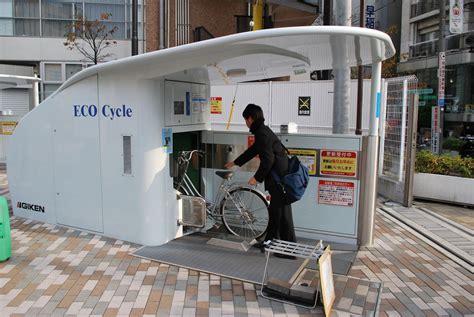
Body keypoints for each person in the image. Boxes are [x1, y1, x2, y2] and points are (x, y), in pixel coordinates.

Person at [224, 104, 297, 259]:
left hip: (279, 180)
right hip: (279, 177)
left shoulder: (262, 133)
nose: (246, 123)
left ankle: (290, 251)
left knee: (283, 214)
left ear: (250, 118)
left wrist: (256, 178)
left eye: (245, 119)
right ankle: (270, 241)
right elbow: (254, 150)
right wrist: (236, 162)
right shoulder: (263, 131)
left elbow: (268, 160)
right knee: (275, 212)